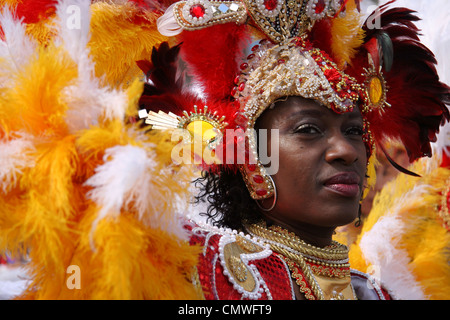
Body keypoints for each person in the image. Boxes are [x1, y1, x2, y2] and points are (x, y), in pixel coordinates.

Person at [0, 0, 448, 300]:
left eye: (354, 130)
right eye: (309, 130)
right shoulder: (208, 273)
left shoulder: (380, 290)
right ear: (249, 159)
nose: (346, 151)